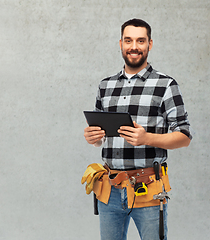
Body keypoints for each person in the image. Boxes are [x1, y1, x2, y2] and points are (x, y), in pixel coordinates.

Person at [83, 18, 192, 240]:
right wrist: (93, 137)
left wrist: (147, 138)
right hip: (110, 190)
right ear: (120, 44)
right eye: (128, 40)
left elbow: (184, 136)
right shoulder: (105, 86)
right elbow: (100, 138)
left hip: (149, 189)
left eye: (140, 41)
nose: (134, 46)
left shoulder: (166, 85)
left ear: (150, 44)